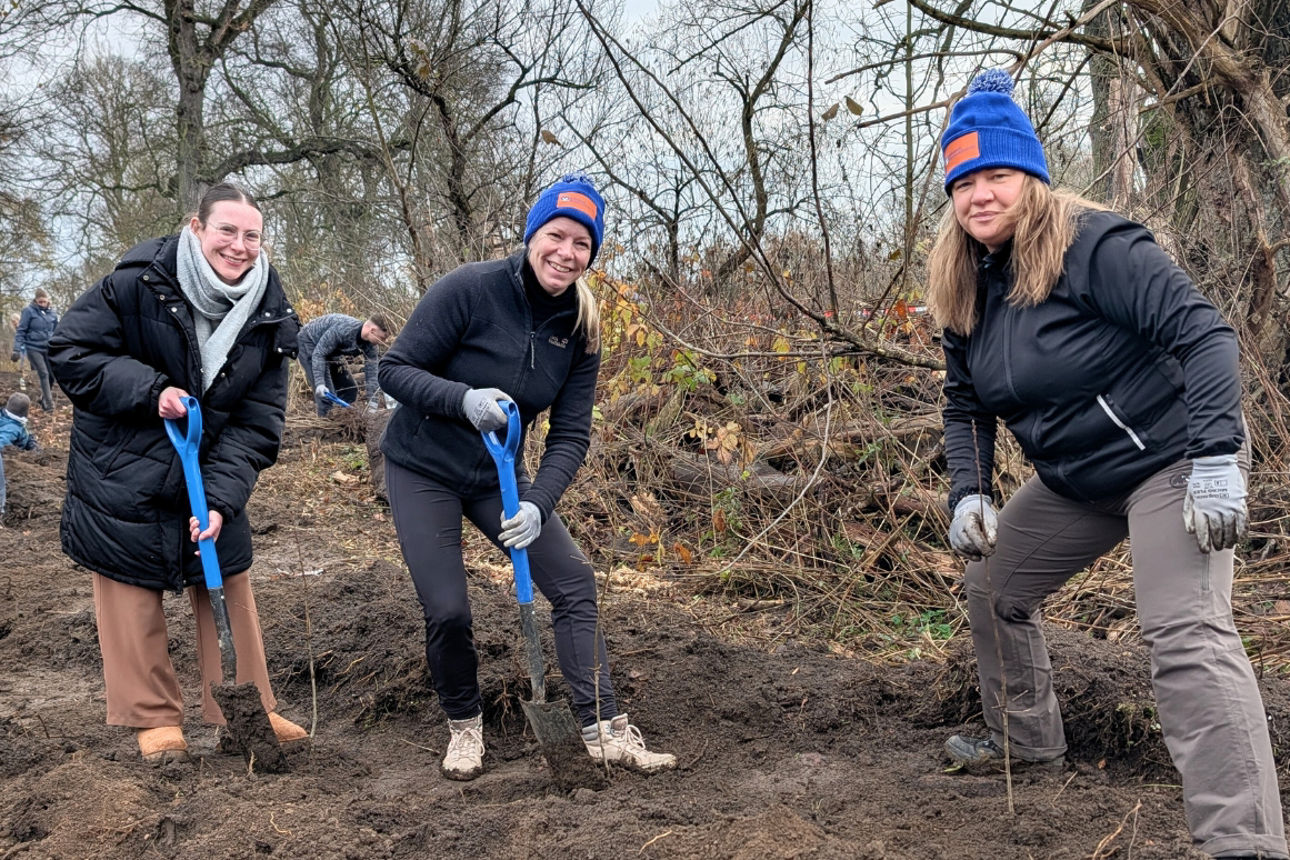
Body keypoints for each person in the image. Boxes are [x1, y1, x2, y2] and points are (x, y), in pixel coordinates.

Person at [928, 69, 1286, 860]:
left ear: (1030, 178)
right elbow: (964, 405)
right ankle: (1025, 741)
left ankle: (1243, 842)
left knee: (1183, 631)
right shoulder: (965, 283)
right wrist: (969, 491)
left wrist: (1218, 458)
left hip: (1174, 460)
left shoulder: (1096, 245)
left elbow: (1206, 337)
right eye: (964, 181)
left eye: (996, 176)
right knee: (995, 583)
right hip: (1079, 480)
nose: (980, 195)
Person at [378, 172, 675, 781]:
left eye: (582, 244)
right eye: (556, 236)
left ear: (592, 253)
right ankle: (464, 725)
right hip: (422, 467)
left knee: (573, 583)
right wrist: (462, 399)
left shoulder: (582, 328)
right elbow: (394, 370)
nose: (566, 253)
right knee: (449, 608)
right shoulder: (471, 289)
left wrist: (538, 502)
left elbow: (570, 435)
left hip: (498, 478)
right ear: (532, 232)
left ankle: (601, 728)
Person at [47, 182, 309, 764]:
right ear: (197, 227)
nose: (238, 246)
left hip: (208, 461)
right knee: (128, 583)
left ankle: (246, 706)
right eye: (227, 231)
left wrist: (219, 498)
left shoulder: (268, 313)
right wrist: (150, 390)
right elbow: (71, 352)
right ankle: (153, 717)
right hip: (122, 461)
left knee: (227, 572)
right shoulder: (136, 282)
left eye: (251, 235)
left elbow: (259, 421)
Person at [297, 312, 391, 415]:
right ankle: (326, 426)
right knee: (327, 395)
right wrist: (320, 383)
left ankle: (344, 421)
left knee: (349, 390)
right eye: (382, 338)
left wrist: (373, 405)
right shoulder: (344, 329)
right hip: (309, 342)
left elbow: (372, 374)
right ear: (372, 331)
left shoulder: (371, 346)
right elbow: (319, 354)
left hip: (332, 350)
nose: (382, 342)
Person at [13, 288, 58, 411]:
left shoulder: (53, 313)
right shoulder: (28, 311)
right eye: (40, 302)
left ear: (48, 300)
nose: (42, 304)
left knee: (52, 376)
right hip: (33, 347)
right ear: (36, 301)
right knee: (43, 373)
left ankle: (43, 398)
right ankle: (49, 404)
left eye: (44, 301)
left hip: (48, 348)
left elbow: (57, 331)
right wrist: (16, 349)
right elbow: (21, 331)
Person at [0, 392, 39, 526]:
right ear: (25, 412)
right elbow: (2, 443)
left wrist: (31, 441)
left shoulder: (9, 419)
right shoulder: (12, 429)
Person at [8, 313, 27, 391]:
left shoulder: (23, 327)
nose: (14, 323)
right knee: (21, 369)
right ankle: (23, 386)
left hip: (26, 351)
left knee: (25, 369)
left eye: (14, 321)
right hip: (21, 351)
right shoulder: (16, 329)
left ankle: (25, 386)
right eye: (12, 321)